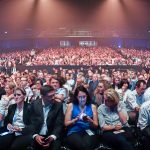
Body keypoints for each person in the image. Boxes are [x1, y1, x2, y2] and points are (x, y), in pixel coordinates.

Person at [64, 85, 99, 150]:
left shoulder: (92, 106)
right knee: (81, 146)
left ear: (87, 96)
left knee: (87, 145)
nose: (82, 99)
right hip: (74, 131)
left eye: (84, 97)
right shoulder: (71, 105)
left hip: (88, 130)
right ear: (76, 97)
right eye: (80, 97)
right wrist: (75, 120)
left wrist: (90, 120)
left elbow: (96, 125)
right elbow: (66, 123)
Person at [32, 85, 64, 150]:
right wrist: (35, 135)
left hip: (52, 134)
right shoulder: (35, 104)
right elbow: (31, 122)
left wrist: (52, 137)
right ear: (42, 96)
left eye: (54, 95)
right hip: (37, 134)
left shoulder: (58, 105)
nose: (53, 97)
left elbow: (59, 124)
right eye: (50, 96)